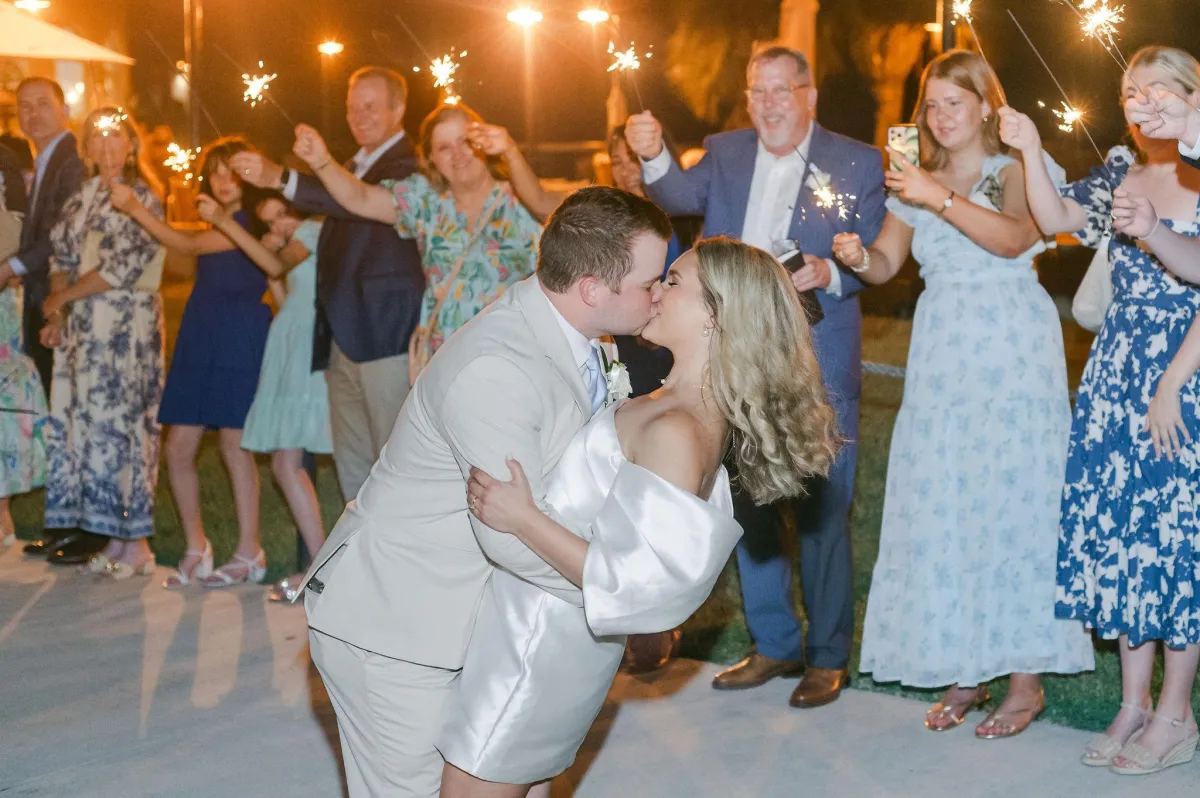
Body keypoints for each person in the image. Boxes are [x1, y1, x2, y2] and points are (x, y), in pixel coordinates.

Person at [297, 186, 672, 797]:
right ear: (592, 289)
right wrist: (625, 596)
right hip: (398, 626)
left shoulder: (586, 337)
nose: (658, 295)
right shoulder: (496, 370)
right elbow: (510, 539)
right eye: (650, 283)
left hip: (471, 623)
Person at [440, 237, 838, 797]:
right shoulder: (673, 407)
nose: (654, 292)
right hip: (538, 629)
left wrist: (521, 517)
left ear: (714, 315)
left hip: (535, 646)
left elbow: (634, 583)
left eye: (672, 282)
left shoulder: (677, 428)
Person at [834, 50, 1095, 737]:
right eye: (932, 104)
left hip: (1011, 345)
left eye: (956, 102)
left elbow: (1016, 239)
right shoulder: (916, 178)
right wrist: (860, 258)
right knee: (950, 498)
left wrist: (937, 197)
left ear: (985, 105)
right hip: (944, 349)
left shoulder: (1017, 170)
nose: (942, 116)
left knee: (1015, 499)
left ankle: (1026, 678)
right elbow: (890, 260)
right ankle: (966, 665)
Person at [625, 44, 887, 707]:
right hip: (732, 355)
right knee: (746, 500)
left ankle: (829, 655)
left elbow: (877, 252)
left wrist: (834, 270)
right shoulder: (727, 150)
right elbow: (675, 193)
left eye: (781, 90)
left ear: (809, 96)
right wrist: (653, 151)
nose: (768, 104)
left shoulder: (856, 161)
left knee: (825, 504)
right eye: (757, 91)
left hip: (815, 351)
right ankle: (773, 643)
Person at [1000, 45, 1200, 775]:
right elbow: (1056, 219)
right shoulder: (1120, 169)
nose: (1140, 103)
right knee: (1124, 537)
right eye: (1129, 90)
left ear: (1189, 96)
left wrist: (1173, 382)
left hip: (1184, 373)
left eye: (1156, 90)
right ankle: (1134, 704)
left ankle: (1178, 717)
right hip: (1118, 371)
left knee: (1176, 547)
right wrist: (1029, 149)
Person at [231, 67, 425, 503]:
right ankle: (358, 564)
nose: (359, 116)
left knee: (396, 467)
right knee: (354, 471)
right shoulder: (354, 164)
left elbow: (352, 200)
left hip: (387, 337)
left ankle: (404, 568)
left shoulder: (410, 165)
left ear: (399, 109)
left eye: (371, 106)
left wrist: (279, 177)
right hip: (340, 338)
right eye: (352, 107)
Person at [112, 137, 271, 589]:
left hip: (239, 337)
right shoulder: (218, 222)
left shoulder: (253, 223)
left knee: (234, 447)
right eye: (214, 172)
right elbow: (190, 235)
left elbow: (188, 242)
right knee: (179, 447)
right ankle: (196, 546)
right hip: (200, 337)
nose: (222, 180)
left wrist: (137, 210)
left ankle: (249, 550)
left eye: (231, 171)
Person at [39, 108, 166, 579]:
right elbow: (61, 255)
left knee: (126, 429)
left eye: (117, 138)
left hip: (125, 333)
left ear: (132, 145)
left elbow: (122, 266)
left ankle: (138, 543)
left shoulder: (144, 198)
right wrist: (59, 310)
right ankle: (110, 534)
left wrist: (63, 295)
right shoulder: (80, 199)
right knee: (89, 431)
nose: (108, 147)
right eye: (98, 138)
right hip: (83, 334)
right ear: (87, 149)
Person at [196, 192, 331, 602]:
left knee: (292, 460)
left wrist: (225, 221)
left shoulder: (313, 229)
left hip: (311, 347)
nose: (278, 228)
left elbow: (278, 263)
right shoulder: (292, 243)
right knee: (284, 462)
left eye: (281, 217)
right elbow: (282, 292)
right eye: (270, 224)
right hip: (289, 344)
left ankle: (322, 572)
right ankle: (320, 569)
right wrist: (269, 263)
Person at [4, 78, 90, 562]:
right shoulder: (42, 161)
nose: (33, 114)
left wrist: (9, 268)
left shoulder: (71, 160)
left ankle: (77, 529)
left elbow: (61, 236)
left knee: (67, 413)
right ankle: (62, 526)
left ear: (64, 108)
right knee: (56, 417)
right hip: (42, 302)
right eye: (25, 107)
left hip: (64, 304)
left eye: (43, 104)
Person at [0, 142, 47, 548]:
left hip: (2, 300)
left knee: (5, 405)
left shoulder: (10, 173)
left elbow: (22, 241)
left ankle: (2, 512)